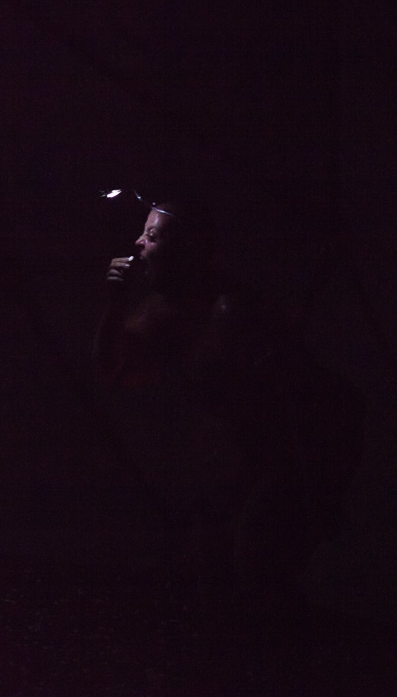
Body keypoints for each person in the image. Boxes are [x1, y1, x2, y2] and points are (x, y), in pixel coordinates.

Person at [94, 200, 362, 607]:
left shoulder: (231, 312)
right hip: (250, 459)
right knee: (212, 564)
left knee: (255, 562)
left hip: (299, 449)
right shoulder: (162, 311)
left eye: (152, 236)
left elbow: (298, 398)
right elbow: (113, 370)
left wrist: (318, 491)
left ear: (187, 249)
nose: (137, 243)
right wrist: (114, 304)